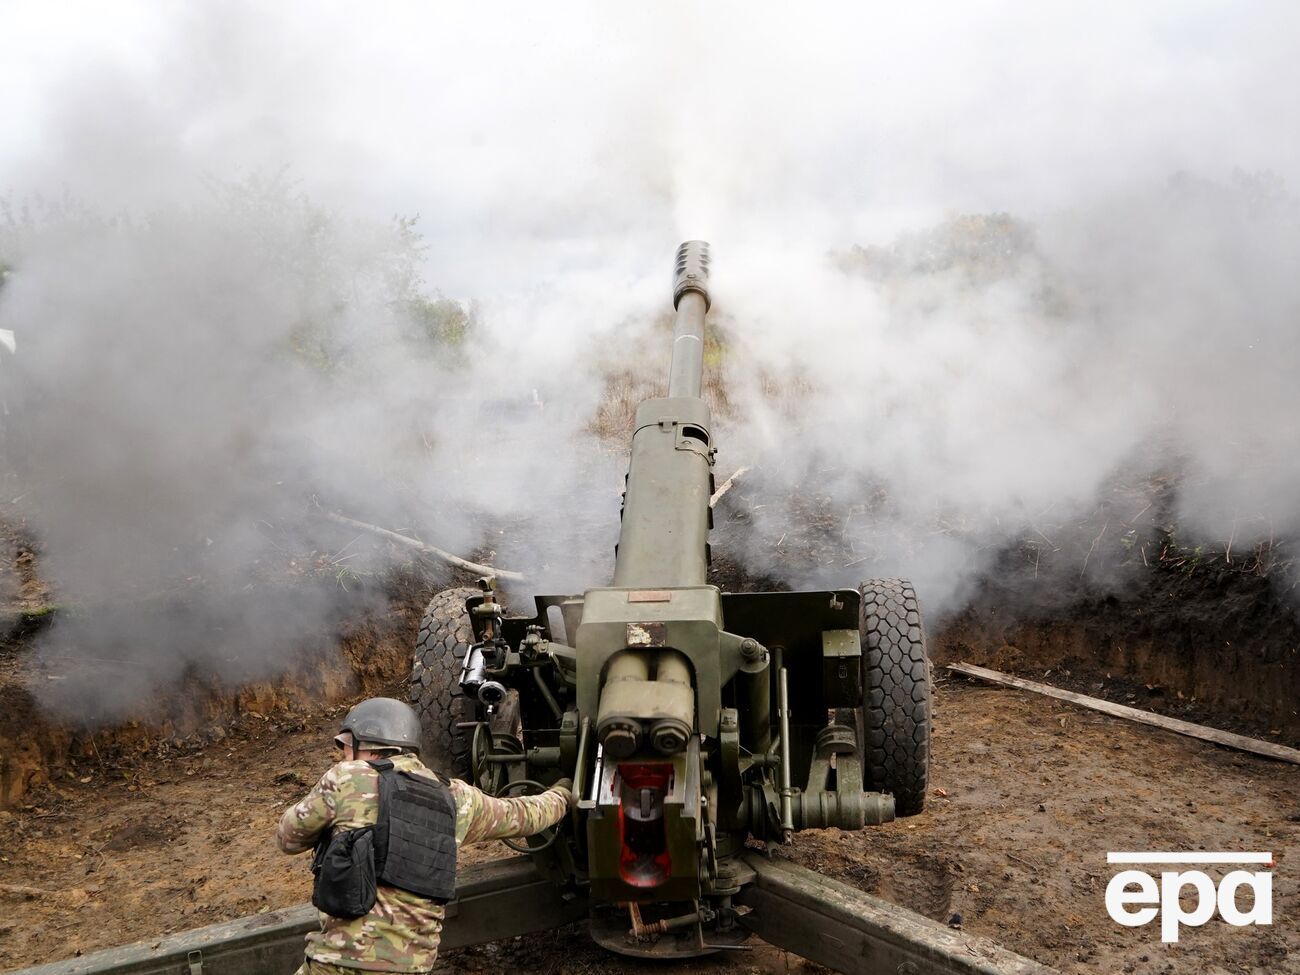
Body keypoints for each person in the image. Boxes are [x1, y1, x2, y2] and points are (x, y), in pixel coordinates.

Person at [276, 697, 573, 975]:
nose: (343, 754)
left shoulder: (347, 778)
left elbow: (288, 839)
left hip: (339, 962)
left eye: (346, 745)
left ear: (365, 742)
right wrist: (563, 793)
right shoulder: (457, 798)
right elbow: (524, 815)